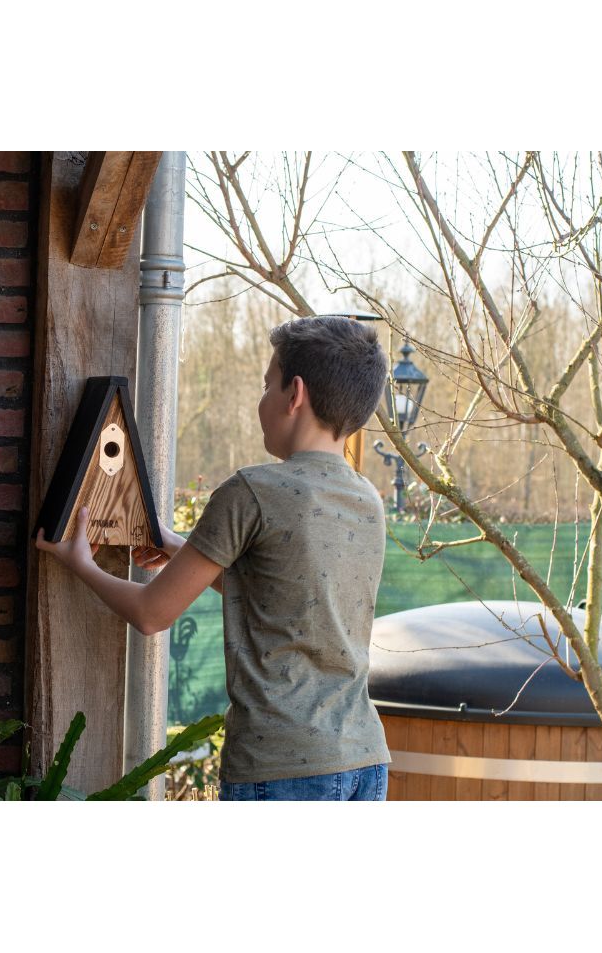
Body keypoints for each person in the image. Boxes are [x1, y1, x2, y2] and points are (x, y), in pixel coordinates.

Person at [36, 314, 391, 801]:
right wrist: (180, 547)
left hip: (282, 765)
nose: (261, 400)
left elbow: (151, 613)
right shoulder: (367, 499)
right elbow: (284, 598)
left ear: (296, 394)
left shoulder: (254, 491)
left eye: (267, 384)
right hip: (365, 761)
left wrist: (81, 563)